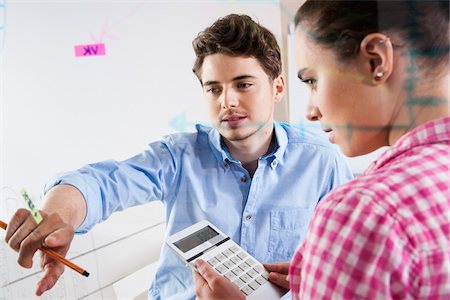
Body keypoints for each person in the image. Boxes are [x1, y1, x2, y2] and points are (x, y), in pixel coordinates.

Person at [5, 14, 353, 299]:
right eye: (213, 88)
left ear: (277, 87)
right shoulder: (178, 155)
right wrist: (58, 212)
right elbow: (104, 183)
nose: (226, 101)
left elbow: (349, 265)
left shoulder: (323, 163)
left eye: (243, 84)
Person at [193, 1, 450, 299]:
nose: (311, 111)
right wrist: (325, 276)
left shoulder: (361, 212)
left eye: (313, 80)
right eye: (213, 89)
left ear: (376, 61)